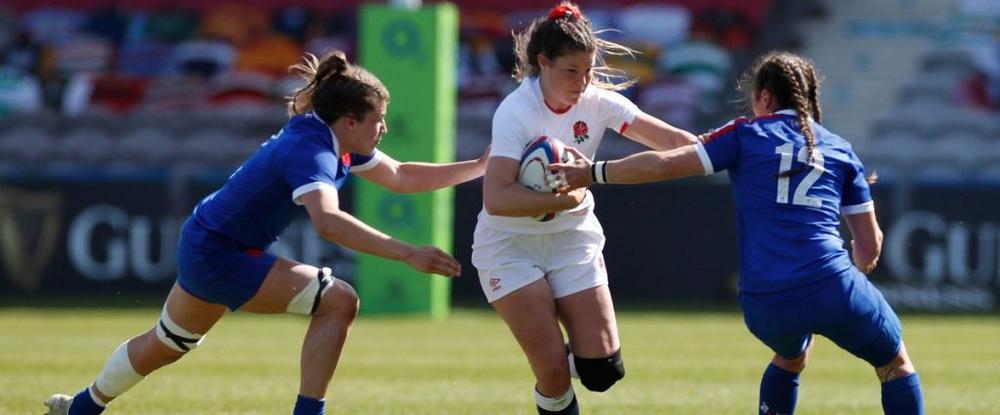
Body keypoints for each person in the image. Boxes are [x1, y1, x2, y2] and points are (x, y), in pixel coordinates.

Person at [44, 49, 488, 415]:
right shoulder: (311, 150)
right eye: (379, 119)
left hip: (205, 241)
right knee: (339, 301)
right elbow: (328, 222)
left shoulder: (327, 136)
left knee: (167, 343)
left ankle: (80, 408)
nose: (384, 128)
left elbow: (403, 176)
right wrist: (407, 253)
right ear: (350, 121)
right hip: (221, 253)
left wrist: (481, 166)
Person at [549, 52, 925, 414]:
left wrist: (594, 172)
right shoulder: (840, 150)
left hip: (764, 301)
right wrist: (849, 284)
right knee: (895, 364)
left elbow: (665, 165)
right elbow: (869, 245)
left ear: (764, 96)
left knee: (792, 356)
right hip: (830, 285)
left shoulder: (745, 134)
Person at [473, 2, 697, 414]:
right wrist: (565, 197)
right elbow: (497, 197)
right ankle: (551, 374)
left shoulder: (597, 101)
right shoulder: (516, 111)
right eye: (571, 71)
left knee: (603, 371)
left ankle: (565, 354)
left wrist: (729, 149)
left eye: (588, 70)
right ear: (543, 63)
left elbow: (670, 139)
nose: (583, 81)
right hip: (510, 247)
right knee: (554, 371)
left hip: (571, 239)